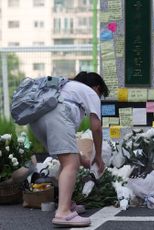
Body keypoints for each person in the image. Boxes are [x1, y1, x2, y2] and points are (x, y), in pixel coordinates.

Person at [29, 71, 108, 227]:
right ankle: (63, 212)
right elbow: (96, 128)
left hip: (37, 118)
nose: (98, 97)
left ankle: (66, 204)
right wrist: (98, 156)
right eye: (101, 94)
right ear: (97, 87)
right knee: (71, 164)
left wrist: (81, 158)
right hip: (57, 114)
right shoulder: (90, 92)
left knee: (67, 162)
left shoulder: (65, 87)